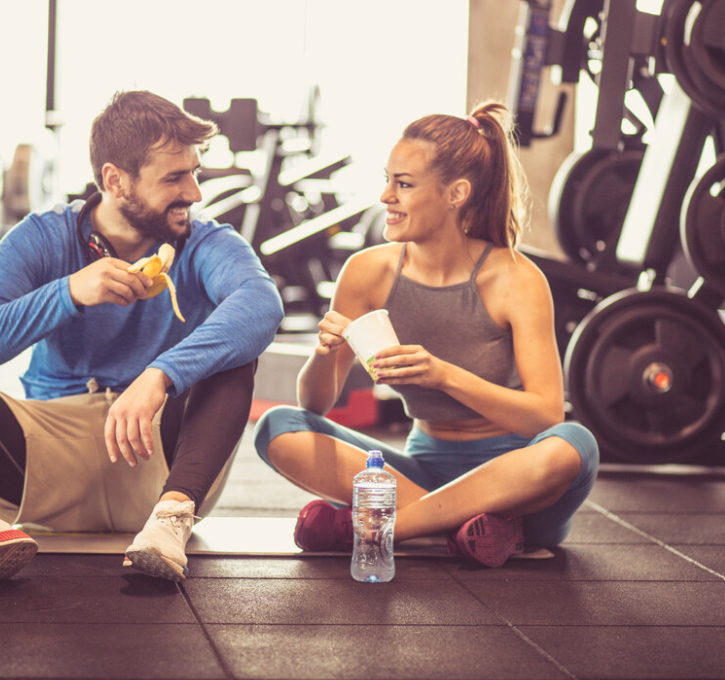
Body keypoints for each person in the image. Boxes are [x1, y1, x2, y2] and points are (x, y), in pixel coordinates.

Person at [0, 90, 284, 588]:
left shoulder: (206, 242)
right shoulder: (44, 237)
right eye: (174, 177)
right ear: (114, 180)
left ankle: (170, 522)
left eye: (195, 173)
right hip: (46, 461)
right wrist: (70, 293)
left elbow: (262, 304)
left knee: (235, 356)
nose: (194, 192)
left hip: (161, 465)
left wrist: (160, 374)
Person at [253, 102, 598, 567]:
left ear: (456, 193)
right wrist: (323, 352)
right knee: (279, 427)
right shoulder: (365, 273)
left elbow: (545, 417)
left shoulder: (516, 278)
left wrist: (444, 376)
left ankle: (386, 529)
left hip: (515, 484)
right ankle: (455, 529)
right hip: (421, 472)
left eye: (404, 184)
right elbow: (315, 406)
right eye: (387, 180)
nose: (385, 197)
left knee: (574, 446)